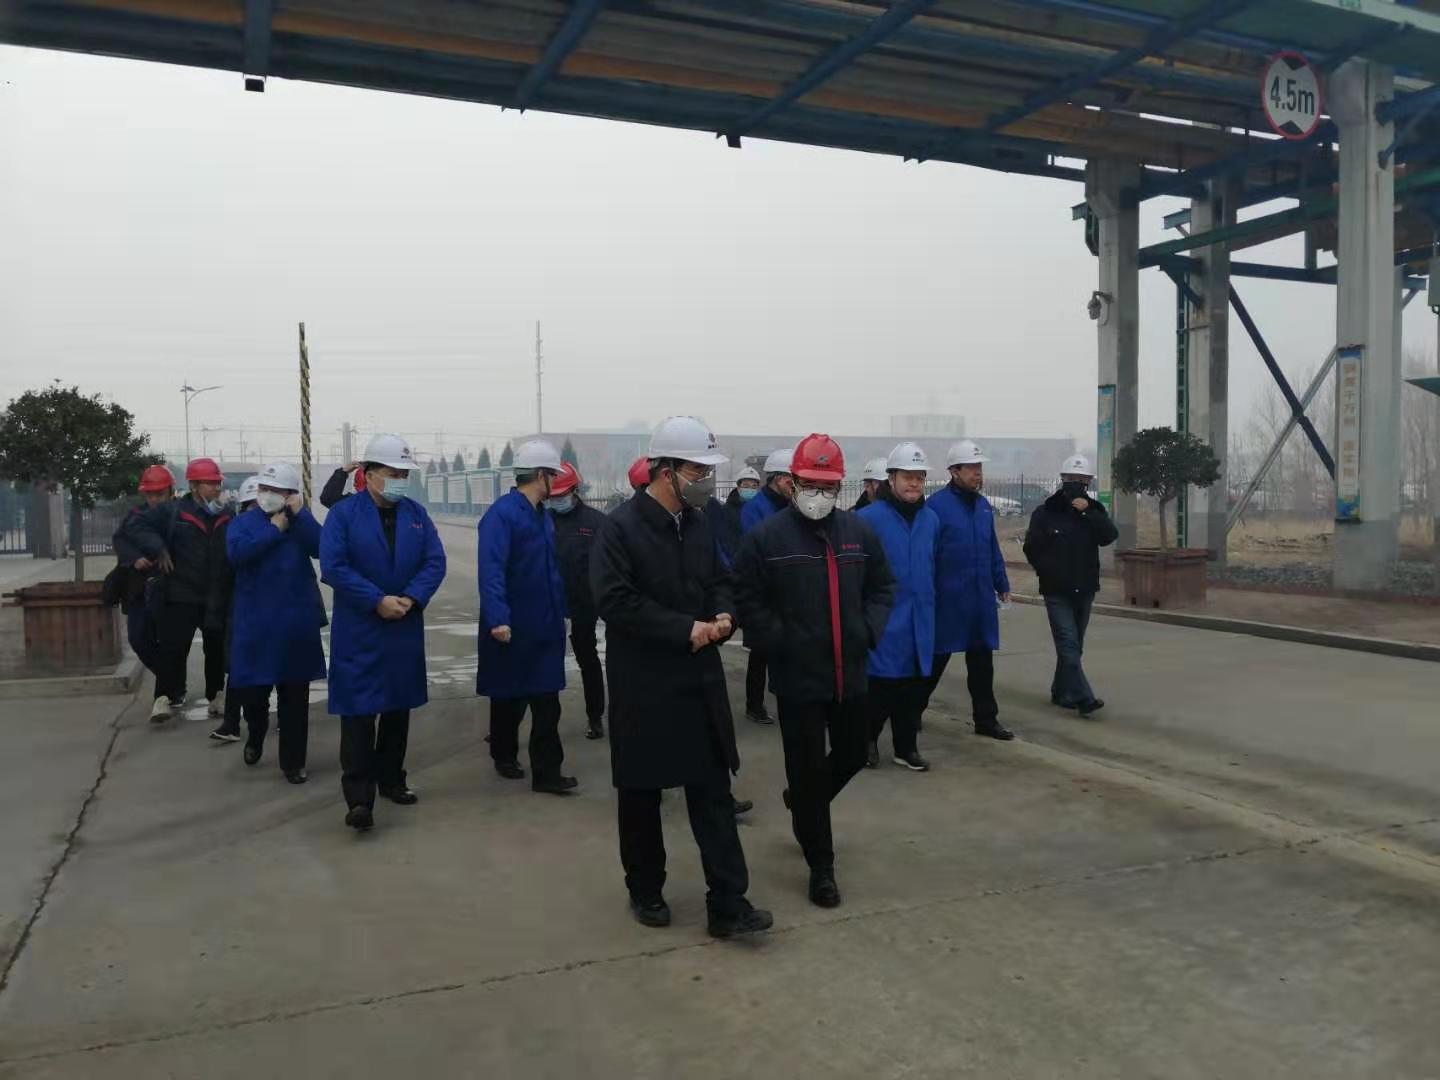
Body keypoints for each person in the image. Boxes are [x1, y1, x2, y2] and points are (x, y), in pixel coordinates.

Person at [591, 415, 772, 938]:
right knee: (641, 795)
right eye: (697, 470)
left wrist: (723, 612)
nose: (706, 481)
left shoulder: (699, 523)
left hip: (699, 680)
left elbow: (721, 577)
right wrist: (682, 629)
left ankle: (729, 903)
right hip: (643, 681)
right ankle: (646, 889)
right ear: (665, 470)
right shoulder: (620, 528)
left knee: (712, 792)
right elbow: (614, 600)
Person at [735, 434, 894, 908]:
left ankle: (804, 800)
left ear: (840, 486)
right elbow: (747, 598)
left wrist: (867, 630)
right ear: (792, 483)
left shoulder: (858, 533)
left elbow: (883, 587)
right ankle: (821, 867)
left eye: (827, 486)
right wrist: (778, 640)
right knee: (805, 768)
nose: (818, 495)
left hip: (851, 673)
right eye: (810, 484)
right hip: (798, 678)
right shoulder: (767, 538)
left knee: (851, 753)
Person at [321, 433, 447, 831]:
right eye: (393, 473)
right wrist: (376, 600)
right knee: (359, 715)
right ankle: (360, 799)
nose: (399, 481)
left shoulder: (416, 514)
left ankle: (392, 778)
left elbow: (434, 561)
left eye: (404, 474)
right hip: (361, 627)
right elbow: (334, 566)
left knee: (397, 708)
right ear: (370, 473)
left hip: (403, 624)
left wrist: (411, 597)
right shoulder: (344, 514)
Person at [477, 439, 576, 795]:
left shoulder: (541, 515)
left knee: (547, 703)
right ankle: (504, 754)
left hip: (544, 624)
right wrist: (498, 618)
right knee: (508, 697)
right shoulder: (501, 515)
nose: (557, 482)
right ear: (539, 475)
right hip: (513, 625)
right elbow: (491, 570)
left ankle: (547, 773)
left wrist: (561, 611)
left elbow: (550, 571)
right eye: (553, 475)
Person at [225, 462, 327, 783]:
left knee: (294, 699)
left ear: (290, 494)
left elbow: (323, 547)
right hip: (256, 626)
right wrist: (274, 530)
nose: (268, 495)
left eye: (276, 491)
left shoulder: (300, 523)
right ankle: (256, 733)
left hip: (295, 626)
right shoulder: (243, 523)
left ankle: (293, 763)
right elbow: (238, 554)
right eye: (264, 489)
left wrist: (300, 515)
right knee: (253, 696)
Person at [121, 457, 232, 724]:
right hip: (181, 592)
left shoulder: (226, 513)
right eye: (210, 483)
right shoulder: (173, 511)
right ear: (194, 486)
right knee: (174, 648)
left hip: (215, 593)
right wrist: (158, 547)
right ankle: (164, 697)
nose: (216, 488)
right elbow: (136, 526)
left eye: (217, 483)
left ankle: (216, 695)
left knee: (216, 647)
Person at [858, 442, 939, 772]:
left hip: (921, 618)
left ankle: (906, 748)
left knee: (913, 690)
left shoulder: (931, 520)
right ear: (890, 479)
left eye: (919, 477)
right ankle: (866, 740)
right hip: (885, 618)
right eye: (907, 477)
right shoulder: (867, 519)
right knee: (881, 686)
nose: (914, 484)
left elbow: (933, 563)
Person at [925, 440, 1013, 741]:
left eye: (979, 468)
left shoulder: (983, 506)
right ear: (954, 471)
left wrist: (1001, 582)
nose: (978, 473)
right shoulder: (935, 508)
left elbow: (992, 547)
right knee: (936, 659)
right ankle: (910, 712)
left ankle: (986, 720)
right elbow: (927, 554)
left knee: (982, 663)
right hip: (948, 597)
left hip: (979, 598)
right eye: (972, 468)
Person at [1023, 454, 1117, 718]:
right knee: (1067, 642)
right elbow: (1031, 548)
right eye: (1072, 479)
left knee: (1075, 645)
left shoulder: (1094, 510)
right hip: (1056, 590)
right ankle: (1083, 697)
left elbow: (1109, 536)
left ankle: (1060, 690)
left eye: (1082, 480)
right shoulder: (1045, 512)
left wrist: (1087, 511)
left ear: (1088, 482)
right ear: (1062, 480)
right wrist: (1047, 571)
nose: (1077, 484)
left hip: (1084, 588)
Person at [548, 461, 609, 740]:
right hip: (550, 603)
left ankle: (595, 716)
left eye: (562, 495)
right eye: (553, 496)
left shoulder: (596, 522)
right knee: (542, 662)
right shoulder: (543, 520)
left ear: (575, 490)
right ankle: (516, 722)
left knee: (588, 659)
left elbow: (606, 565)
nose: (557, 500)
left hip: (584, 603)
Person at [738, 448, 794, 725]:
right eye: (791, 480)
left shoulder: (792, 505)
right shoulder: (755, 509)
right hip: (764, 591)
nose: (795, 486)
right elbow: (755, 550)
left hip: (790, 590)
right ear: (777, 478)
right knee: (761, 653)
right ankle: (754, 704)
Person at [111, 464, 175, 681]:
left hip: (170, 588)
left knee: (170, 640)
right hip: (139, 588)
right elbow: (120, 540)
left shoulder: (178, 515)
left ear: (171, 492)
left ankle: (172, 683)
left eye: (160, 494)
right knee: (138, 639)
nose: (155, 499)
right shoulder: (135, 515)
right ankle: (168, 677)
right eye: (150, 494)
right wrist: (134, 558)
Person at [209, 475, 260, 743]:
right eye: (250, 505)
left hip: (271, 612)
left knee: (274, 667)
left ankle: (271, 721)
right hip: (239, 609)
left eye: (258, 504)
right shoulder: (233, 533)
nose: (255, 510)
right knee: (238, 666)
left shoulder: (283, 530)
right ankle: (231, 723)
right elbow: (221, 575)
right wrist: (216, 612)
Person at [714, 465, 759, 562]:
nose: (750, 489)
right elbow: (723, 541)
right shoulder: (726, 511)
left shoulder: (760, 510)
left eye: (754, 486)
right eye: (746, 486)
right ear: (738, 487)